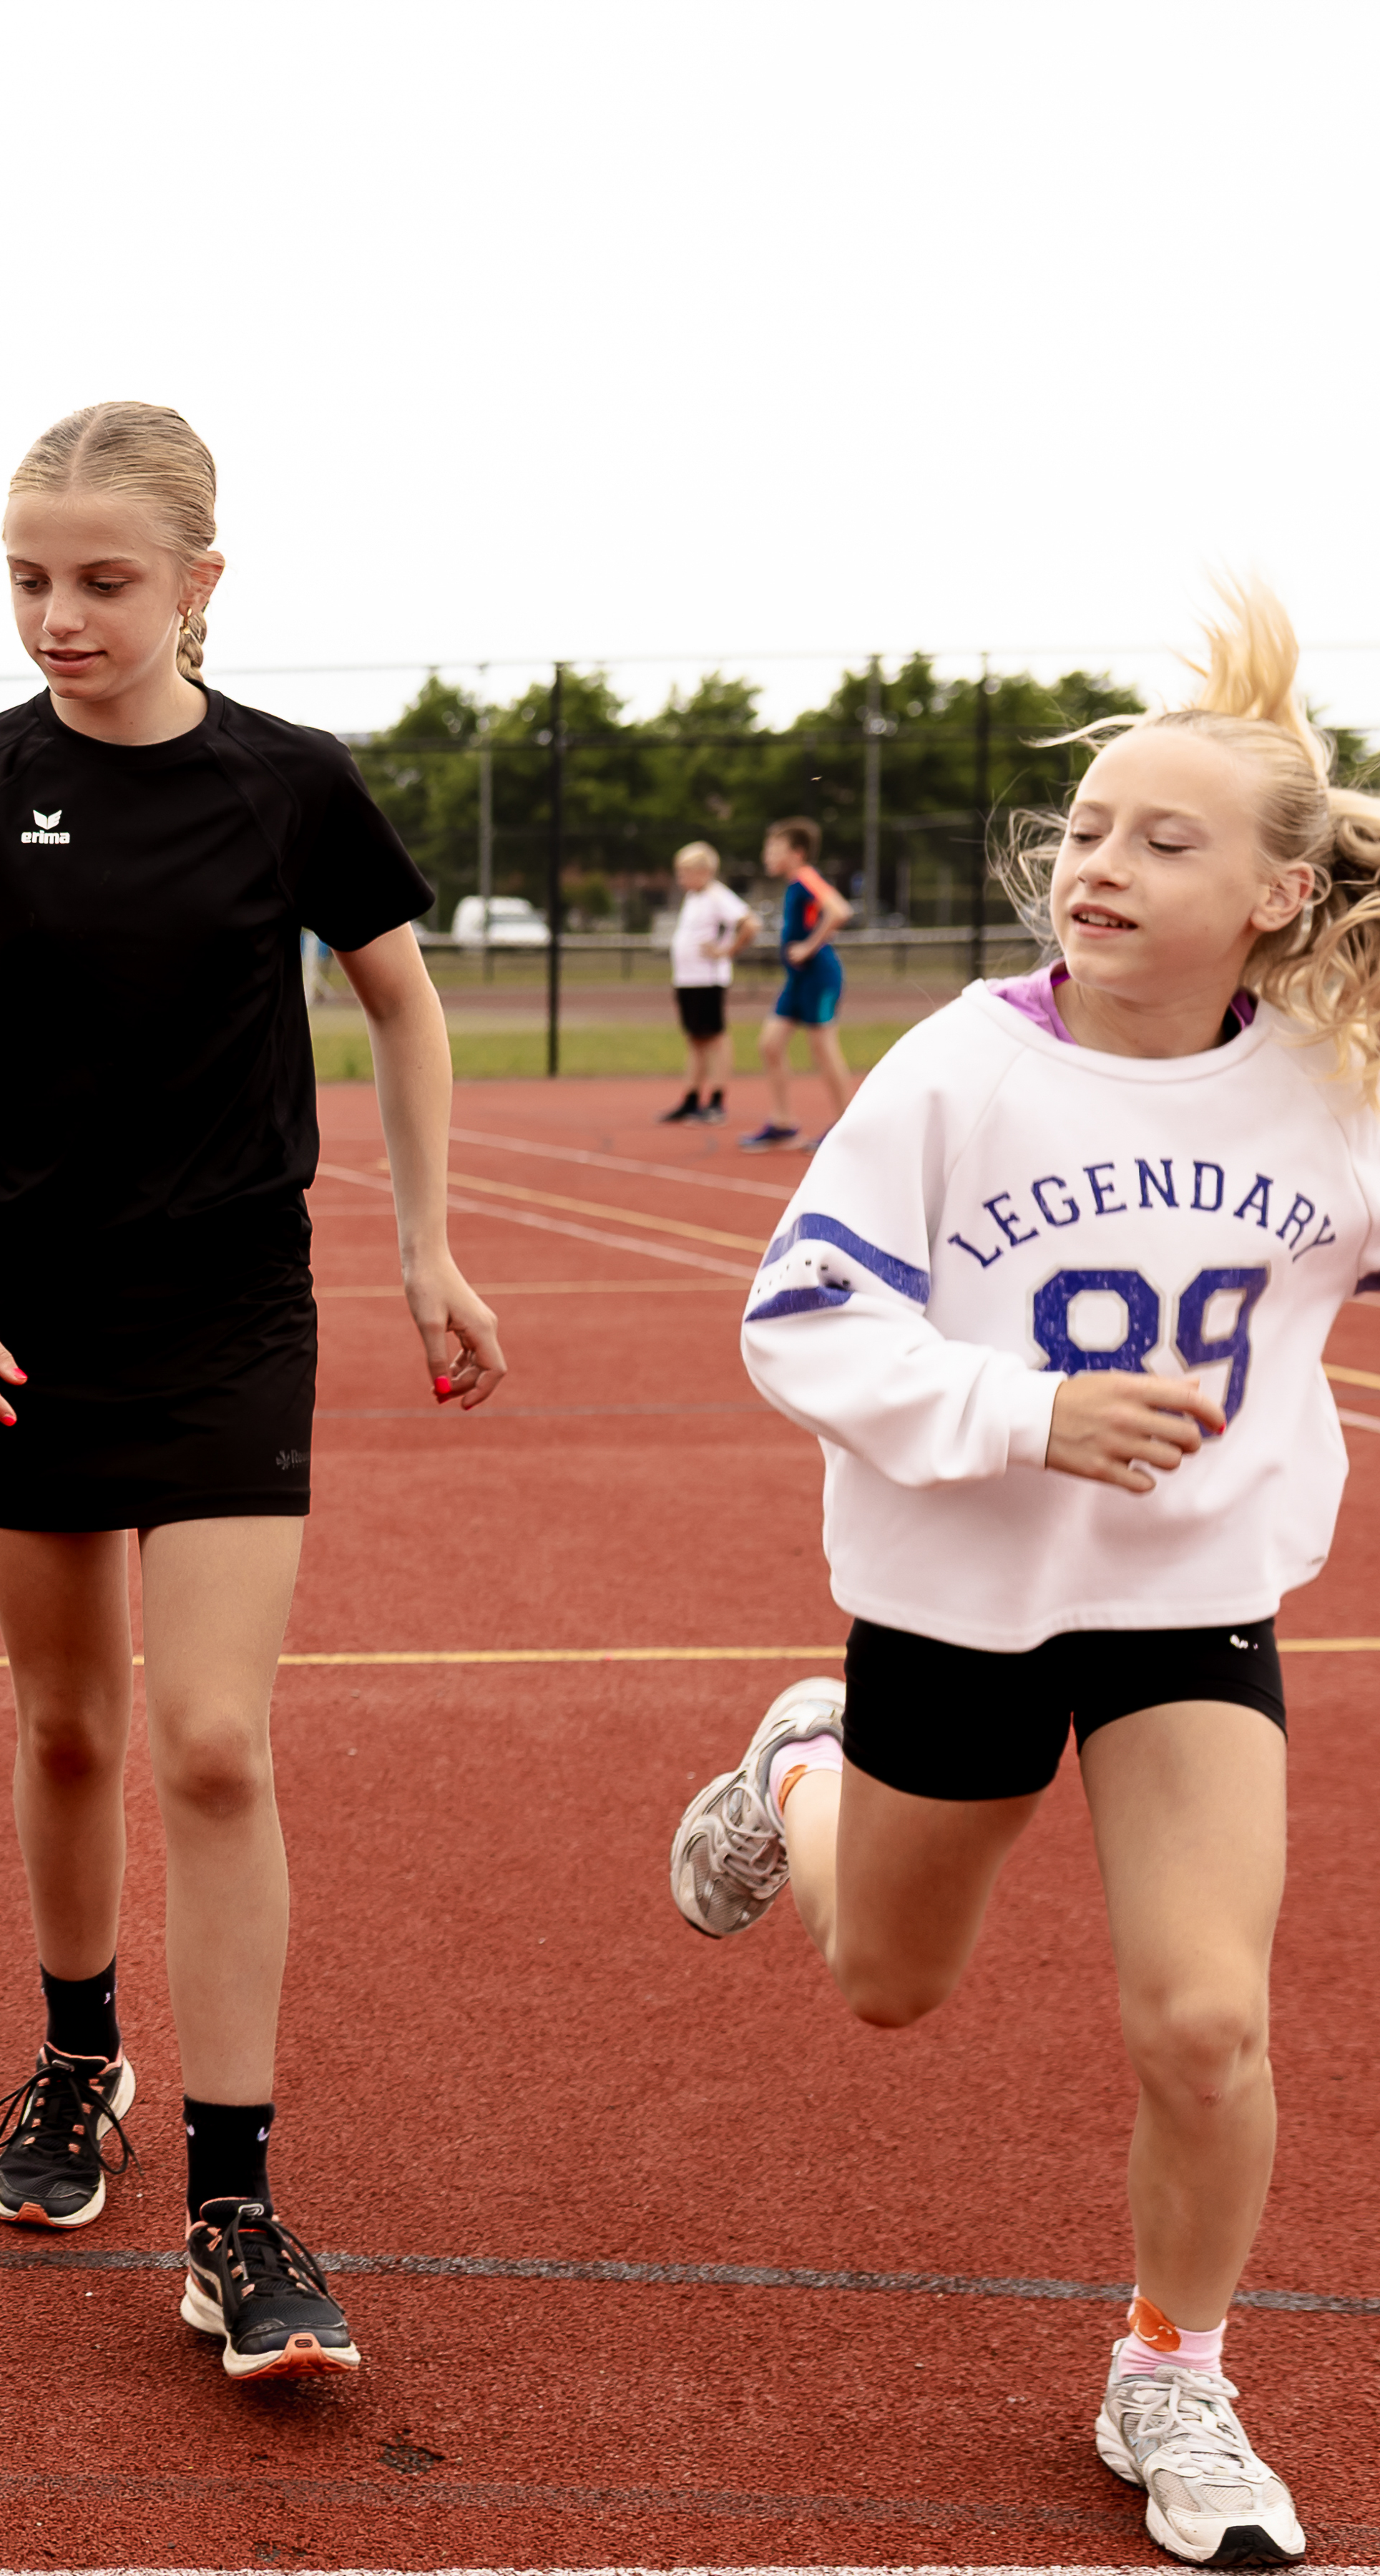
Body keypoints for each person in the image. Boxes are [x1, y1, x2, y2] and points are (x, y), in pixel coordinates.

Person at [667, 586, 1374, 2567]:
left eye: (1163, 840)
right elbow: (794, 1324)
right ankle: (800, 1768)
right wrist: (1023, 1409)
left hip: (1189, 1609)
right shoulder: (957, 1076)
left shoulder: (1334, 1096)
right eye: (1085, 834)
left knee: (1208, 2022)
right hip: (960, 1605)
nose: (1099, 867)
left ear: (1280, 899)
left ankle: (1180, 2371)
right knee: (888, 1986)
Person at [0, 402, 507, 2384]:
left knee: (211, 1741)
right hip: (25, 1317)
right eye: (32, 579)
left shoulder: (290, 787)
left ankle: (236, 2206)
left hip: (231, 1314)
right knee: (66, 1729)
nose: (62, 614)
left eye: (105, 581)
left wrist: (423, 1245)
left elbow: (403, 999)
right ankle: (73, 2060)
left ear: (202, 585)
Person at [743, 817, 858, 1148]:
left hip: (819, 975)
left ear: (797, 852)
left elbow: (839, 910)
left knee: (822, 1047)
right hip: (798, 979)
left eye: (774, 848)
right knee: (770, 1044)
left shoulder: (807, 877)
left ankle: (845, 1126)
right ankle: (782, 1124)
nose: (767, 854)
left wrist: (809, 946)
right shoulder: (795, 884)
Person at [658, 839, 755, 1123]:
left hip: (707, 980)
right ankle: (691, 1098)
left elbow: (749, 924)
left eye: (684, 872)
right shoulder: (693, 897)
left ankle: (717, 1099)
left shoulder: (717, 896)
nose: (680, 879)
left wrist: (726, 951)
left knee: (715, 1038)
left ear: (703, 871)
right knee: (695, 1039)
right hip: (687, 980)